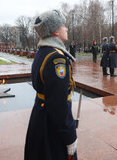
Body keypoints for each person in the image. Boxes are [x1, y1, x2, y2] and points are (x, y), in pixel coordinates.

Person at [25, 10, 78, 160]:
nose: (66, 29)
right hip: (52, 126)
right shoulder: (56, 58)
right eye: (63, 26)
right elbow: (58, 104)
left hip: (41, 117)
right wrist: (69, 136)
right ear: (55, 31)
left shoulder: (44, 51)